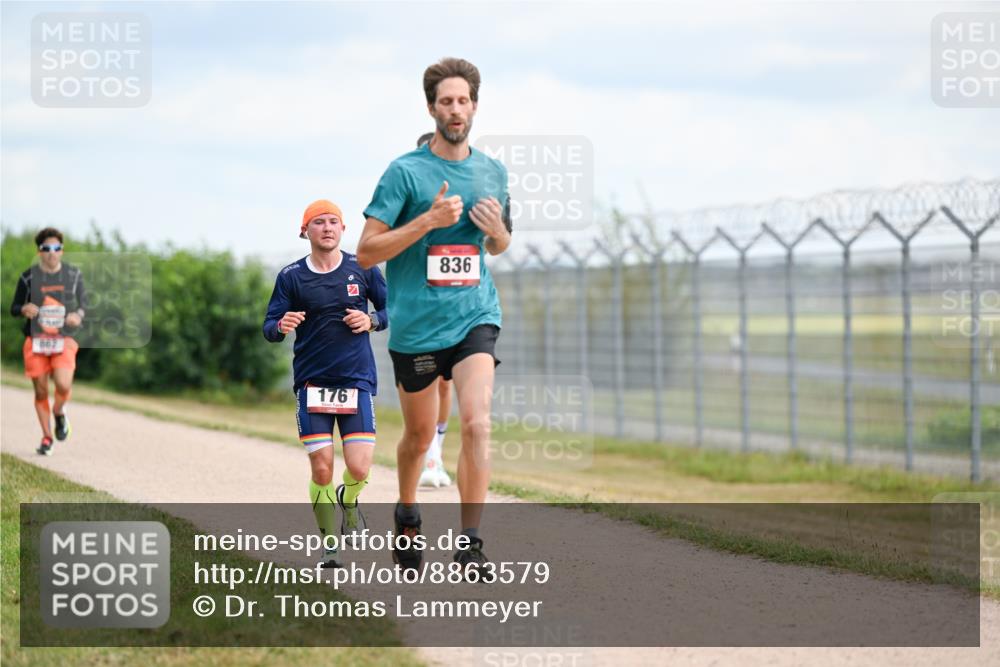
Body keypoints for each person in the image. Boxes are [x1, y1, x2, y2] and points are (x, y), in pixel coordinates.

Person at [358, 57, 512, 574]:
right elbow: (367, 253)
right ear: (431, 109)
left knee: (478, 423)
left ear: (475, 106)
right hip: (418, 326)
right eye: (446, 101)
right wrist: (427, 220)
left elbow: (500, 244)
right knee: (419, 437)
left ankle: (470, 541)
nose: (456, 109)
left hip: (475, 314)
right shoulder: (404, 172)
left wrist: (498, 232)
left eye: (463, 100)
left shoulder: (492, 172)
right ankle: (407, 510)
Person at [263, 200, 388, 568]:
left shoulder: (362, 267)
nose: (327, 227)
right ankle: (330, 546)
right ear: (305, 231)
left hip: (356, 380)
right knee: (321, 469)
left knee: (359, 468)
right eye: (319, 222)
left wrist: (372, 321)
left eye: (334, 221)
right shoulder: (290, 276)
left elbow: (392, 309)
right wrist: (280, 325)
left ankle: (348, 500)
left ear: (343, 229)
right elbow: (269, 326)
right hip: (312, 383)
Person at [10, 228, 88, 456]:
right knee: (41, 391)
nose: (51, 252)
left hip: (64, 338)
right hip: (36, 341)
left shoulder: (73, 276)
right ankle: (46, 437)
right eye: (46, 248)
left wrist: (78, 315)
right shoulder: (28, 277)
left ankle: (59, 412)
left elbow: (85, 304)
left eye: (56, 248)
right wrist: (23, 308)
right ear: (39, 251)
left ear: (62, 251)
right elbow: (14, 307)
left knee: (63, 384)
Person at [413, 130, 454, 489]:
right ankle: (426, 452)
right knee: (423, 379)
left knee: (443, 381)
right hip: (418, 303)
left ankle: (436, 452)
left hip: (452, 303)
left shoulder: (460, 199)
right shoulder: (406, 200)